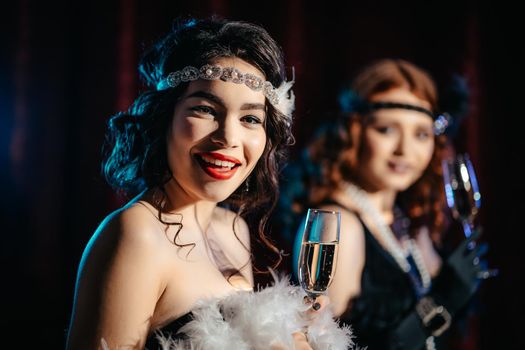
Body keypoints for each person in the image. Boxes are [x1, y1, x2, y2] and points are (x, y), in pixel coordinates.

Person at [66, 17, 352, 350]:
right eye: (205, 109)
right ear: (165, 117)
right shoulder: (137, 233)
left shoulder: (233, 227)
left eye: (249, 119)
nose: (229, 137)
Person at [289, 59, 488, 349]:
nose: (405, 150)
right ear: (354, 133)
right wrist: (441, 302)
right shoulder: (338, 226)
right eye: (386, 130)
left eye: (421, 134)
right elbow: (331, 345)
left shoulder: (402, 224)